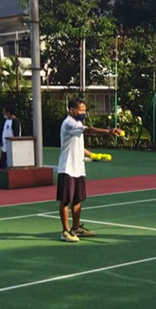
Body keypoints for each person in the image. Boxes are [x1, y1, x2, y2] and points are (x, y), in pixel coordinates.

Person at [57, 98, 122, 243]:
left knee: (78, 199)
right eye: (81, 110)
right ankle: (65, 231)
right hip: (67, 168)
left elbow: (79, 146)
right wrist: (109, 131)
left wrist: (93, 155)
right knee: (65, 200)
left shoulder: (77, 123)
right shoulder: (69, 123)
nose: (83, 113)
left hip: (79, 168)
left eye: (84, 110)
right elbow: (89, 130)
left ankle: (76, 228)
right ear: (72, 110)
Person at [0, 103, 22, 170]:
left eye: (4, 111)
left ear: (8, 112)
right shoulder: (7, 121)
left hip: (11, 147)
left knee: (6, 163)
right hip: (5, 146)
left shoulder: (15, 122)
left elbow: (16, 136)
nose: (3, 113)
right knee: (2, 163)